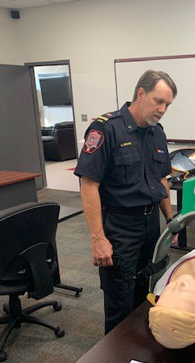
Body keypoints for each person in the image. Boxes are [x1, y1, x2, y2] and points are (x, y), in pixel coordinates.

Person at [75, 70, 177, 334]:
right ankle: (114, 361)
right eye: (158, 101)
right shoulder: (106, 128)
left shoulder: (157, 133)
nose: (162, 109)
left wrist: (170, 219)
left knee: (147, 290)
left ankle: (138, 353)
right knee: (120, 297)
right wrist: (98, 238)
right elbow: (88, 186)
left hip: (151, 224)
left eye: (167, 104)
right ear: (140, 94)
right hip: (120, 226)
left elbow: (162, 179)